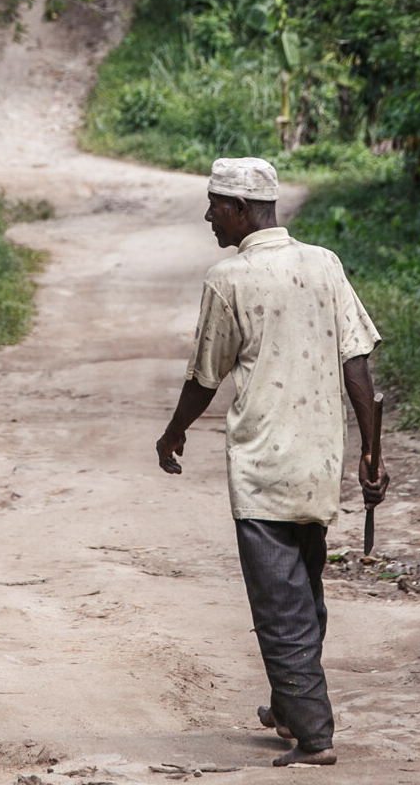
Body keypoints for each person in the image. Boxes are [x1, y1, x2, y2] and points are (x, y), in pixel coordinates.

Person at [154, 156, 389, 768]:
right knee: (303, 590)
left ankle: (314, 735)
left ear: (239, 209)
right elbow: (357, 366)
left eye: (214, 206)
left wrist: (174, 433)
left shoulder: (229, 278)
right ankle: (288, 707)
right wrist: (370, 451)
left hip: (262, 468)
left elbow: (205, 377)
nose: (208, 217)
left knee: (280, 605)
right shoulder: (324, 264)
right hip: (318, 463)